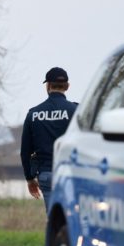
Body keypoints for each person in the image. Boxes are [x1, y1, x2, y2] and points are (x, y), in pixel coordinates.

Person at [20, 67, 77, 210]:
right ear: (67, 86)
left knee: (54, 220)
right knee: (74, 219)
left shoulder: (33, 114)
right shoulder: (76, 111)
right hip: (71, 173)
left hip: (47, 174)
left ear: (48, 86)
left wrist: (29, 178)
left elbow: (25, 151)